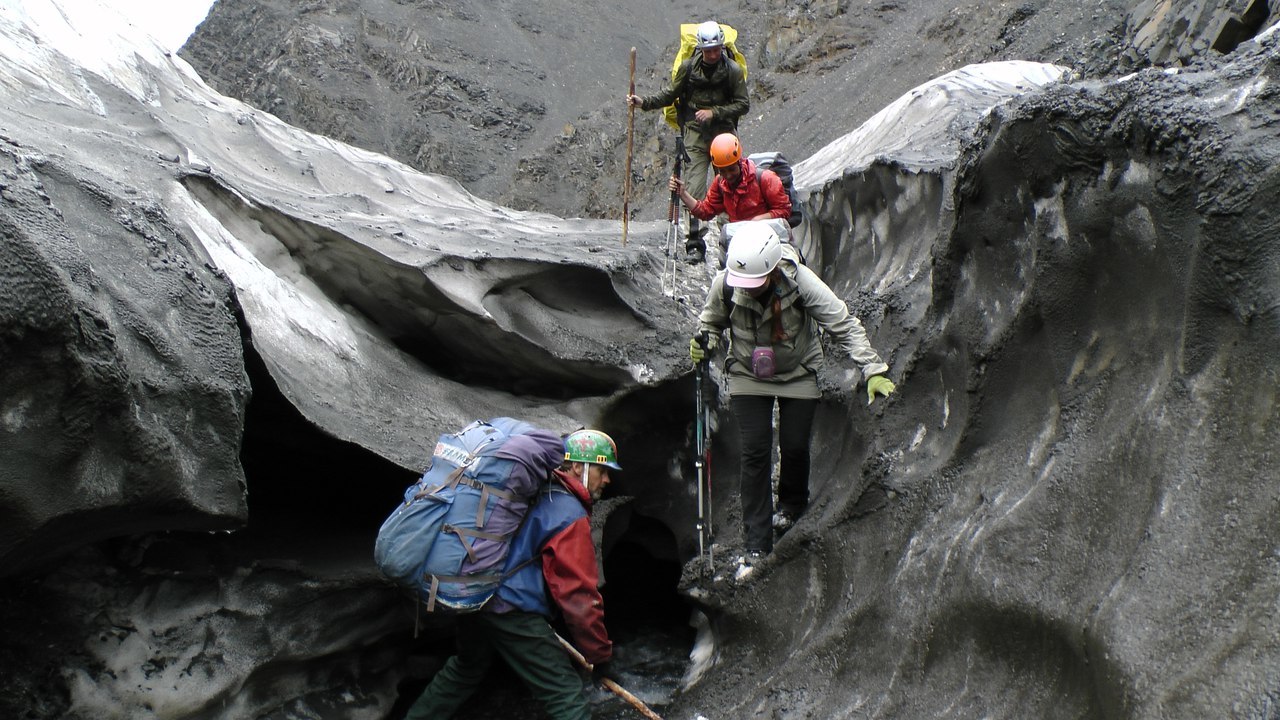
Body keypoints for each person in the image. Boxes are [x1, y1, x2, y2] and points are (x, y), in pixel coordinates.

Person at [689, 223, 896, 565]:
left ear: (771, 271)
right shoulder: (726, 283)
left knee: (795, 445)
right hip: (747, 372)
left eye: (756, 284)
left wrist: (871, 368)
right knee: (755, 452)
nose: (749, 290)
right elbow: (710, 324)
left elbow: (841, 322)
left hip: (798, 368)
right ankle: (756, 540)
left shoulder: (799, 280)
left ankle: (791, 506)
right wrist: (704, 344)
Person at [404, 429, 623, 720]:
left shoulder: (535, 490)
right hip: (511, 607)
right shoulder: (569, 513)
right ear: (579, 466)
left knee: (467, 667)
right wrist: (599, 654)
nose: (607, 479)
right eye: (602, 469)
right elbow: (578, 595)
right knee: (564, 693)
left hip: (474, 591)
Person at [627, 20, 750, 263]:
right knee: (693, 187)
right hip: (694, 132)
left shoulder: (733, 71)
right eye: (709, 51)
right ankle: (695, 243)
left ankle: (732, 238)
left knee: (730, 183)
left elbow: (743, 104)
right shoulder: (687, 68)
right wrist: (644, 103)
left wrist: (714, 112)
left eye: (717, 50)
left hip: (723, 132)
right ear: (701, 49)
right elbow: (671, 94)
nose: (713, 55)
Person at [669, 132, 791, 232]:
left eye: (732, 169)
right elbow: (706, 211)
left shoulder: (766, 179)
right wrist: (683, 194)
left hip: (770, 234)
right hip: (739, 239)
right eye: (722, 171)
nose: (728, 175)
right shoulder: (720, 183)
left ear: (739, 161)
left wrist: (757, 221)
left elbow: (784, 211)